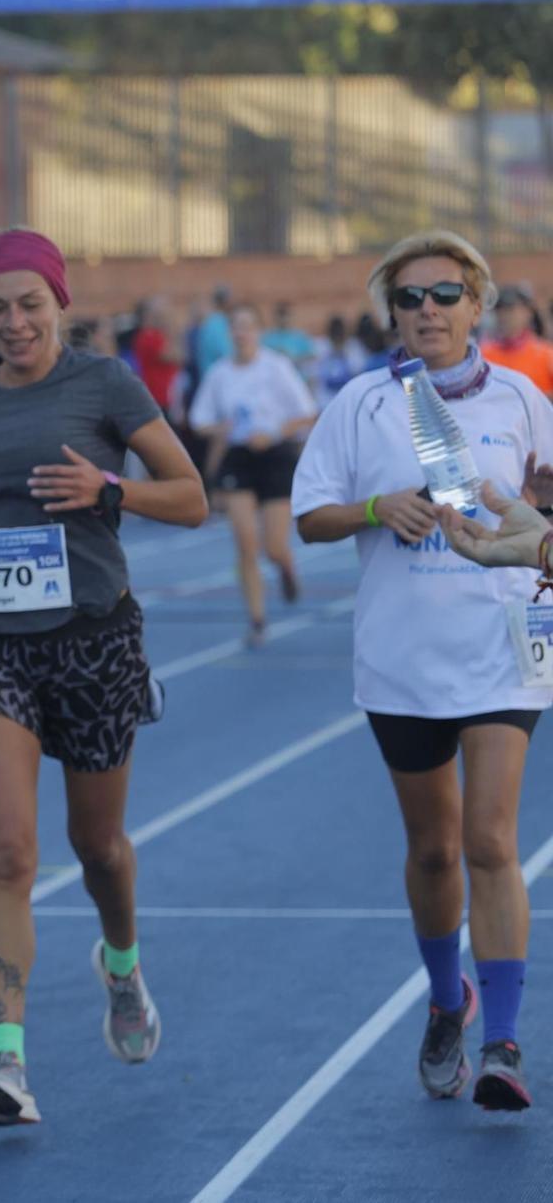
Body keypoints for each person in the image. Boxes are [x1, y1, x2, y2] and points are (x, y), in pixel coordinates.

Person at [0, 228, 207, 1128]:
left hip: (93, 638)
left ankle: (120, 960)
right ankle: (7, 1062)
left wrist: (108, 491)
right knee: (8, 852)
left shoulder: (106, 384)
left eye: (29, 304)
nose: (13, 322)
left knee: (99, 850)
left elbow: (190, 496)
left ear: (59, 304)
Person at [293, 229, 553, 1113]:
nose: (428, 310)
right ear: (390, 314)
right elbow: (311, 517)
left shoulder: (522, 396)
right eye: (410, 298)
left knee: (490, 839)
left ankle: (505, 1041)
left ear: (478, 303)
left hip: (501, 648)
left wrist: (540, 536)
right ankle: (450, 999)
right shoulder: (362, 403)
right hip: (402, 659)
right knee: (434, 849)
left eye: (446, 294)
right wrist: (376, 505)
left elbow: (546, 500)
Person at [188, 305, 318, 647]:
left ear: (258, 332)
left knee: (273, 547)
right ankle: (257, 620)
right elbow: (199, 420)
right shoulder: (220, 373)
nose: (241, 333)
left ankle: (286, 566)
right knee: (245, 542)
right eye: (236, 327)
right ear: (230, 334)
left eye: (247, 326)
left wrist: (273, 432)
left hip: (274, 455)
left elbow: (306, 414)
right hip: (238, 456)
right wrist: (221, 427)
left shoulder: (276, 367)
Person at [483, 286, 553, 396]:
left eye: (510, 309)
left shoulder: (546, 354)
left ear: (528, 312)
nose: (504, 316)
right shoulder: (483, 354)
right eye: (500, 310)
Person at [317, 313, 368, 407]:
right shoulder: (321, 347)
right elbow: (317, 375)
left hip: (350, 396)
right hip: (326, 398)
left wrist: (343, 354)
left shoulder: (354, 346)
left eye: (339, 334)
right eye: (335, 334)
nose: (338, 338)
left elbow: (359, 370)